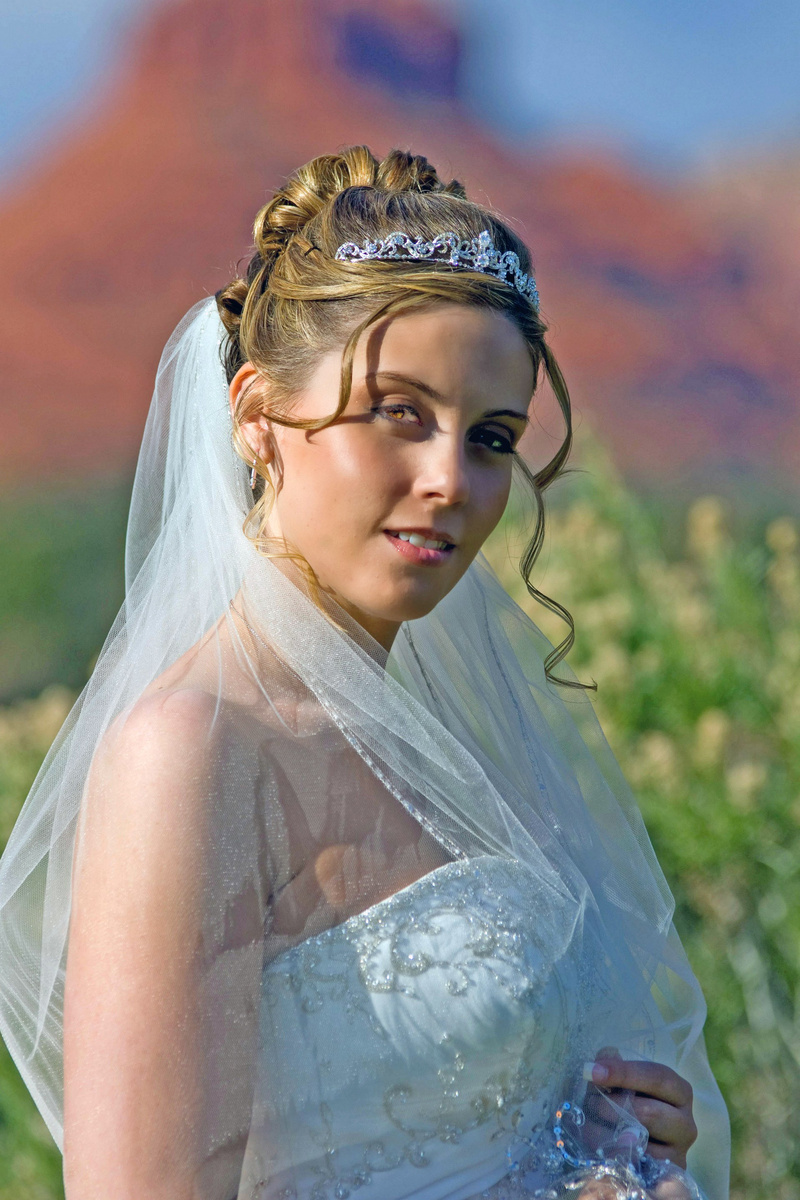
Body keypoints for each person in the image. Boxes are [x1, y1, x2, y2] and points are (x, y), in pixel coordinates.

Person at [0, 146, 730, 1200]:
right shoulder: (193, 750)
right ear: (257, 419)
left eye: (489, 437)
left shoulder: (444, 741)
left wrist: (604, 1140)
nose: (448, 481)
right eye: (397, 412)